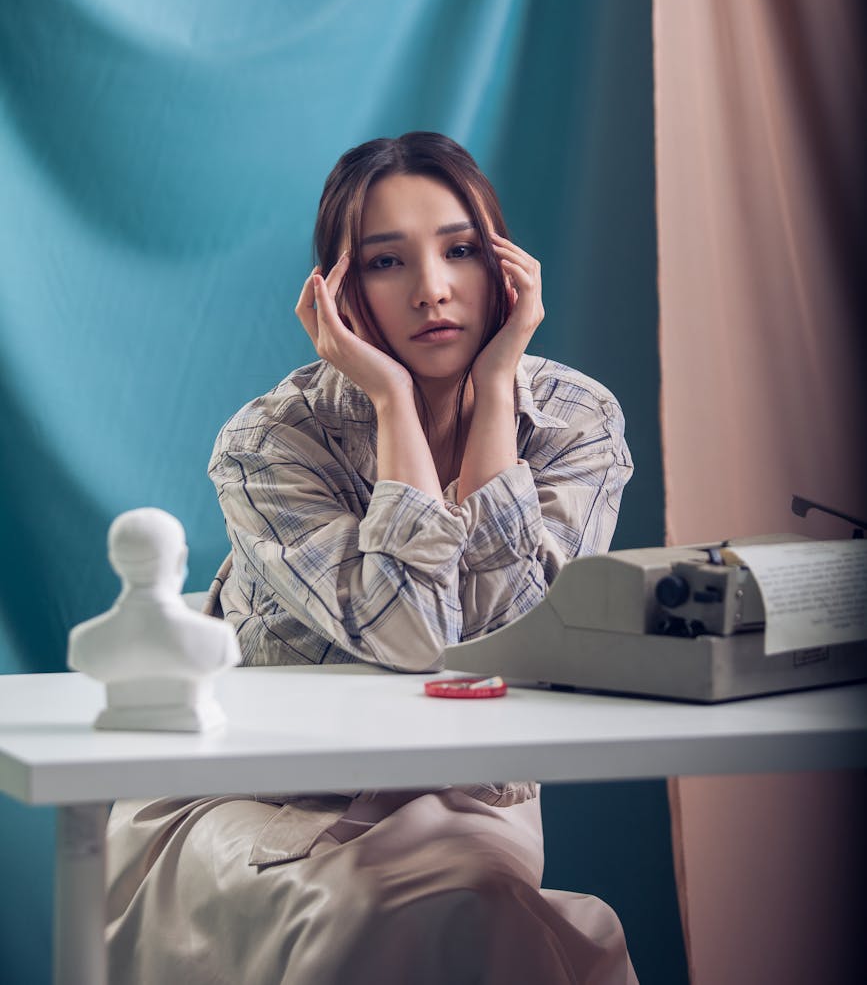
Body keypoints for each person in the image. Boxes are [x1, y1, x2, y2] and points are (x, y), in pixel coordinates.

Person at [106, 132, 637, 984]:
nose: (433, 290)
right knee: (378, 919)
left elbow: (504, 643)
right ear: (340, 294)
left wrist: (496, 394)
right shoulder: (269, 441)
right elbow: (420, 640)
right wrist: (393, 403)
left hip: (465, 797)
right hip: (259, 795)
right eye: (387, 263)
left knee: (457, 910)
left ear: (504, 268)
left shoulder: (574, 420)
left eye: (460, 251)